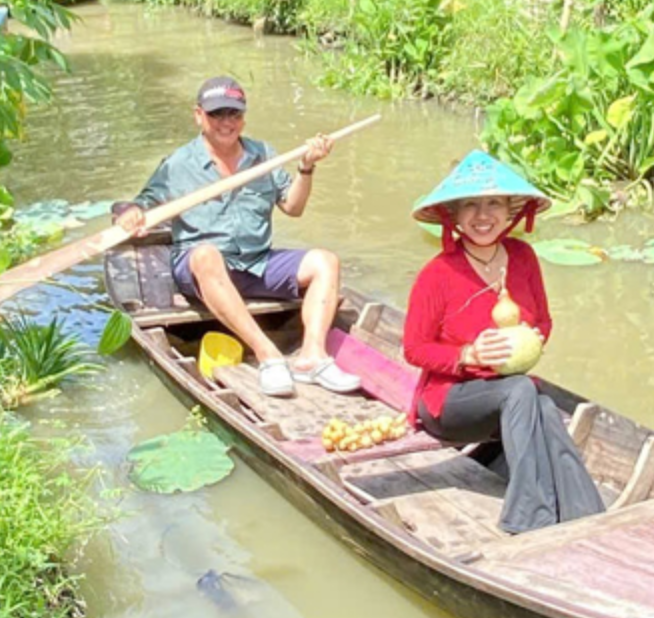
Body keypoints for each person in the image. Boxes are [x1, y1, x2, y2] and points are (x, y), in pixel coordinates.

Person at [116, 75, 360, 399]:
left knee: (325, 262)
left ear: (243, 117)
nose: (226, 123)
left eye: (234, 114)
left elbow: (293, 206)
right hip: (200, 269)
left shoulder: (264, 155)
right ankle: (268, 355)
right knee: (206, 255)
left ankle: (312, 357)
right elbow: (141, 203)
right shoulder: (177, 165)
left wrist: (307, 167)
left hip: (256, 262)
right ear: (199, 115)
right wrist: (131, 213)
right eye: (217, 114)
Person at [403, 150, 604, 534]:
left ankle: (584, 511)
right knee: (522, 392)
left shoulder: (523, 257)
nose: (483, 216)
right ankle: (528, 516)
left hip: (511, 396)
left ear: (510, 210)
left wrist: (531, 341)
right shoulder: (438, 274)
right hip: (449, 402)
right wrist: (467, 354)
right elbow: (414, 348)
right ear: (455, 215)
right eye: (471, 206)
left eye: (493, 203)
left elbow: (543, 320)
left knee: (542, 404)